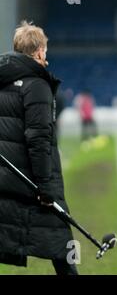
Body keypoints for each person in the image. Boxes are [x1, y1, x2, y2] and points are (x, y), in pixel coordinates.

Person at [0, 21, 77, 275]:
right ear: (39, 52)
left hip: (5, 179)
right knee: (61, 241)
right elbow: (38, 137)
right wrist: (45, 186)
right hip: (31, 181)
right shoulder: (37, 84)